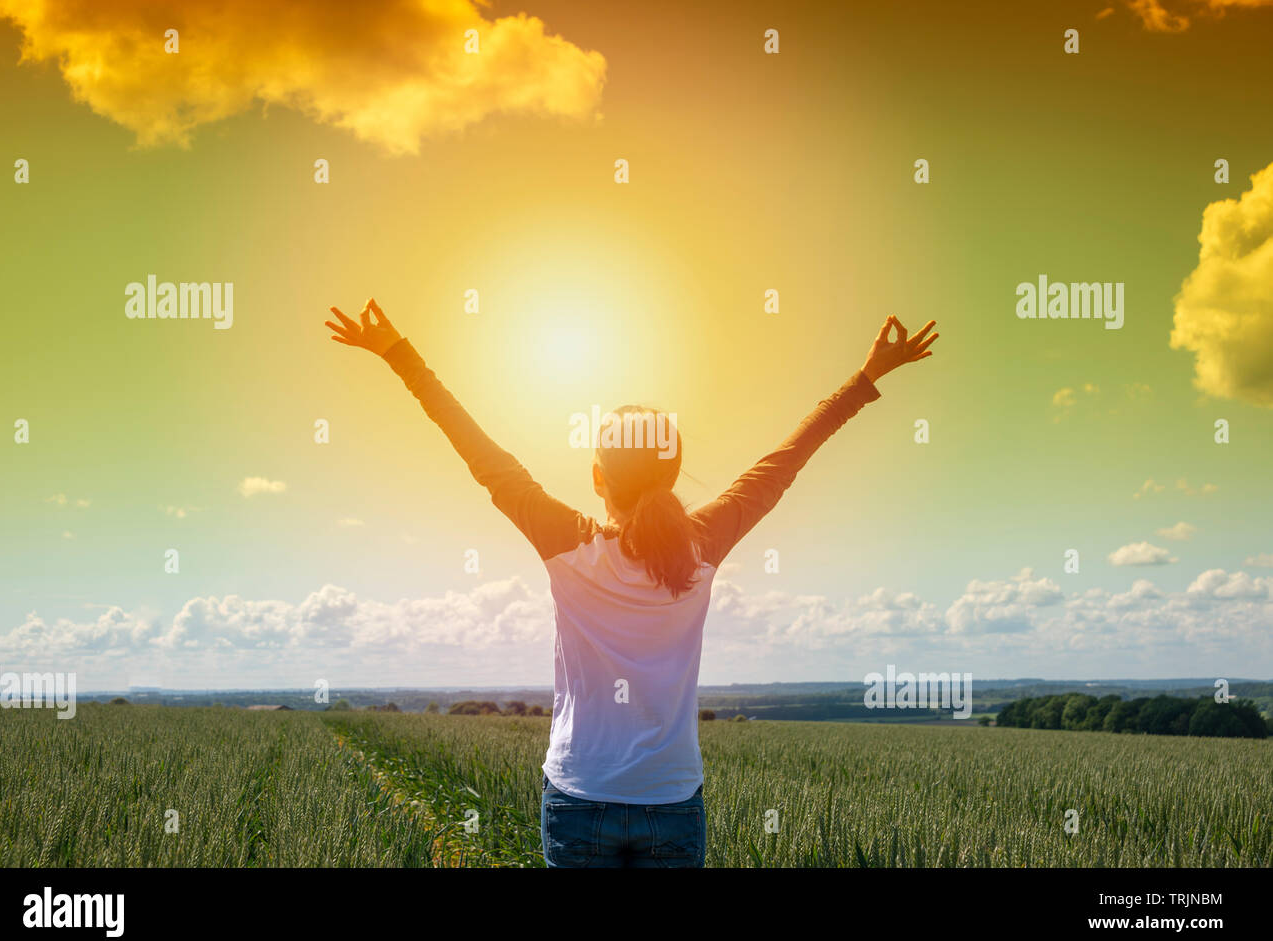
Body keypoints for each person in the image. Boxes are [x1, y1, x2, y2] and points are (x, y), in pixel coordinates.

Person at [325, 299, 937, 867]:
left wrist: (398, 354)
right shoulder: (703, 545)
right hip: (670, 799)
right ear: (671, 474)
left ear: (597, 476)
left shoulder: (567, 543)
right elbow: (786, 460)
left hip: (579, 794)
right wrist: (865, 379)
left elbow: (480, 452)